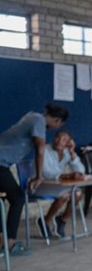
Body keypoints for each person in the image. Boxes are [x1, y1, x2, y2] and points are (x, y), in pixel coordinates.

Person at [0, 103, 69, 256]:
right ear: (57, 121)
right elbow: (40, 149)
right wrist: (38, 176)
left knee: (5, 199)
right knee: (17, 199)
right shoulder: (38, 121)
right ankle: (9, 244)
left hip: (2, 164)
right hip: (0, 164)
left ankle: (2, 239)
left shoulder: (31, 116)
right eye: (58, 125)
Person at [34, 130, 86, 239]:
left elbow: (81, 171)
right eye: (57, 137)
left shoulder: (67, 152)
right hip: (41, 185)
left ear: (69, 142)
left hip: (57, 186)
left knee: (77, 193)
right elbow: (46, 173)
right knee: (65, 194)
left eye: (64, 139)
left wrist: (72, 152)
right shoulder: (45, 150)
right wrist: (67, 176)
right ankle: (45, 221)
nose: (59, 141)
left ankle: (62, 220)